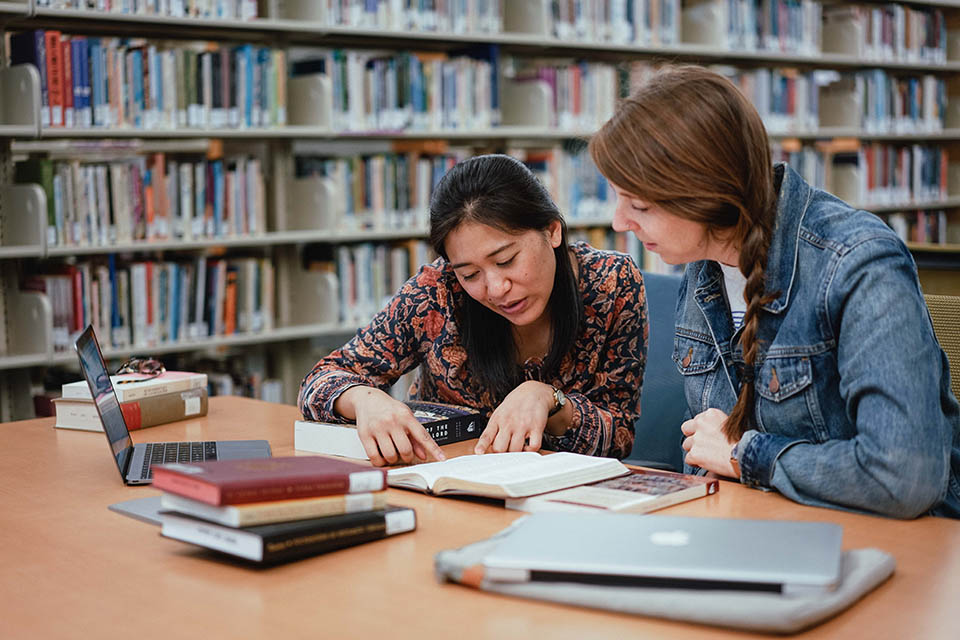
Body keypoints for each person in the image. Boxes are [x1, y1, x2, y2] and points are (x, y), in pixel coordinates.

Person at [589, 64, 960, 519]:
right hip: (758, 528)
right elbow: (711, 447)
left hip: (889, 543)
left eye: (639, 204)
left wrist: (747, 455)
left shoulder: (858, 262)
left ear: (704, 196)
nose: (618, 223)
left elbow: (904, 475)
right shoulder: (704, 265)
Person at [298, 154, 647, 467]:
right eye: (470, 274)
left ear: (552, 231)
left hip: (564, 501)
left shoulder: (612, 283)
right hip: (449, 483)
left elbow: (619, 438)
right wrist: (364, 400)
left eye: (506, 260)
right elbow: (321, 380)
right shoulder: (436, 292)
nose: (495, 289)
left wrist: (550, 401)